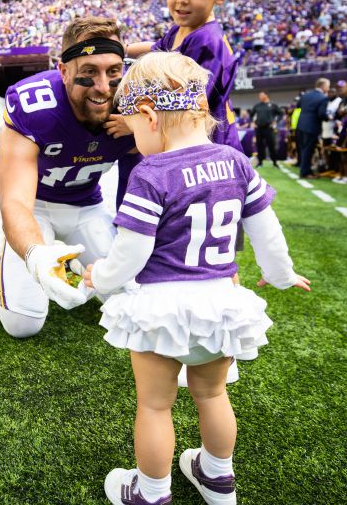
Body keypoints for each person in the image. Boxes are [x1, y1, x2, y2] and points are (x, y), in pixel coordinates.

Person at [84, 52, 310, 505]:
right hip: (219, 304)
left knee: (154, 405)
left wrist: (100, 278)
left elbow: (132, 252)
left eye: (132, 128)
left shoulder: (151, 172)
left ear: (148, 114)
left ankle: (150, 492)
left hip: (162, 307)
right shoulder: (235, 160)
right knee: (212, 395)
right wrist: (280, 275)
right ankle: (218, 477)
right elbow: (267, 230)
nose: (135, 142)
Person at [0, 16, 136, 339]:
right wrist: (35, 253)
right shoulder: (35, 104)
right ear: (64, 71)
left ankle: (73, 260)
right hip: (36, 208)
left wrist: (140, 128)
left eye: (113, 71)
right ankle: (7, 265)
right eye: (89, 72)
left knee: (128, 299)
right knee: (23, 323)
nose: (103, 87)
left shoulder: (135, 105)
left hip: (87, 207)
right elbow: (15, 201)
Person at [127, 0, 243, 153]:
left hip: (210, 151)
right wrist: (123, 48)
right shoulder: (180, 29)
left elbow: (184, 108)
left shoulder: (207, 41)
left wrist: (129, 123)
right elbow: (155, 49)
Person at [294, 78, 331, 177]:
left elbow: (298, 106)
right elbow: (321, 114)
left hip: (300, 125)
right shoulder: (323, 98)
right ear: (323, 86)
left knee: (303, 149)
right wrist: (329, 118)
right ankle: (305, 173)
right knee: (308, 150)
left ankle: (306, 170)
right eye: (328, 86)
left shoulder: (305, 95)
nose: (328, 88)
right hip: (312, 127)